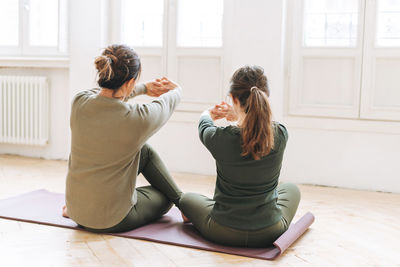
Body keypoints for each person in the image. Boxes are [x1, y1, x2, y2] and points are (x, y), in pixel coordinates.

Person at [63, 44, 183, 233]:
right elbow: (165, 104)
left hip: (77, 211)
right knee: (165, 195)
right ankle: (182, 203)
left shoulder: (79, 102)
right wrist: (177, 90)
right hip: (112, 220)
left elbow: (105, 97)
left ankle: (80, 209)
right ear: (129, 83)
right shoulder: (137, 120)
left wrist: (143, 88)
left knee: (143, 151)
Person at [179, 65, 301, 247]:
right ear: (265, 97)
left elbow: (204, 125)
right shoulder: (281, 134)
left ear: (234, 98)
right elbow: (257, 127)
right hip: (270, 231)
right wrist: (238, 116)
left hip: (222, 231)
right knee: (292, 189)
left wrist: (210, 113)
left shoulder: (219, 138)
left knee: (185, 199)